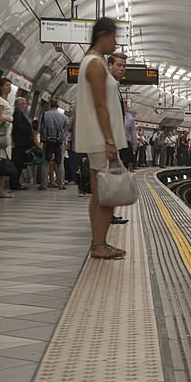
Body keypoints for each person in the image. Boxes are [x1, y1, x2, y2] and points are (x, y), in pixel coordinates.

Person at [76, 18, 129, 259]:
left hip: (98, 139)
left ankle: (98, 242)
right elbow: (100, 106)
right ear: (103, 35)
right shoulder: (96, 64)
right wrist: (110, 141)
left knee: (99, 195)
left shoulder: (90, 62)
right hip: (101, 140)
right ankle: (99, 245)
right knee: (107, 196)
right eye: (114, 37)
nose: (115, 42)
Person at [0, 78, 15, 199]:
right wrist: (8, 120)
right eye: (6, 85)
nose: (9, 88)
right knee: (0, 161)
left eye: (10, 85)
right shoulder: (0, 101)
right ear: (1, 87)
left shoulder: (7, 101)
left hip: (8, 134)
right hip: (2, 133)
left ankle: (1, 189)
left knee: (4, 161)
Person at [39, 99, 69, 189]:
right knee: (59, 163)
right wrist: (63, 138)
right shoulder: (64, 117)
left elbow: (41, 128)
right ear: (58, 106)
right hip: (59, 143)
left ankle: (43, 184)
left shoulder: (45, 115)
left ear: (50, 105)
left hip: (47, 142)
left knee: (46, 162)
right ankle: (61, 184)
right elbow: (66, 131)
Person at [10, 96, 38, 190]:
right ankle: (14, 184)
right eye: (24, 104)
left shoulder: (19, 113)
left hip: (20, 142)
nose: (25, 106)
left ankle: (16, 183)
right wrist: (28, 131)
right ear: (20, 104)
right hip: (19, 142)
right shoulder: (17, 113)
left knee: (19, 163)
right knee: (17, 163)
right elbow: (19, 126)